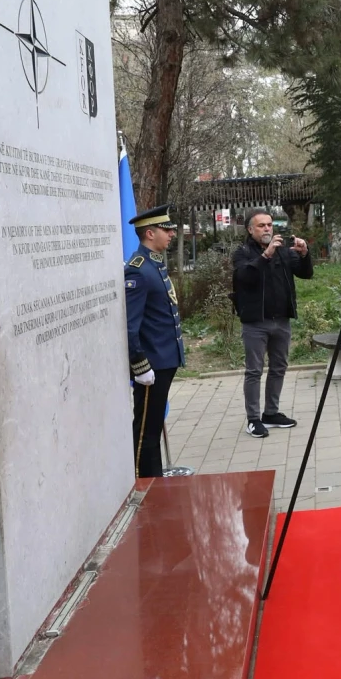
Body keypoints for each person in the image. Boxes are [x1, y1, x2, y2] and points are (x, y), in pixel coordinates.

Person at [232, 209, 311, 437]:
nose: (267, 229)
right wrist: (265, 255)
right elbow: (245, 277)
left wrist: (305, 254)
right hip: (255, 322)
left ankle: (271, 413)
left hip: (282, 320)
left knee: (279, 368)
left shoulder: (283, 251)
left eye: (269, 224)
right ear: (250, 229)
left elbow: (306, 273)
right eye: (261, 226)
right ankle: (254, 419)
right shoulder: (243, 252)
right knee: (254, 371)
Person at [125, 204, 186, 477]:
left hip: (165, 360)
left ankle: (155, 479)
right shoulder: (138, 269)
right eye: (166, 229)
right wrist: (140, 364)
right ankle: (144, 481)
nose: (171, 234)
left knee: (153, 426)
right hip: (152, 364)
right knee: (146, 433)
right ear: (150, 233)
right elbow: (130, 324)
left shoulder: (153, 265)